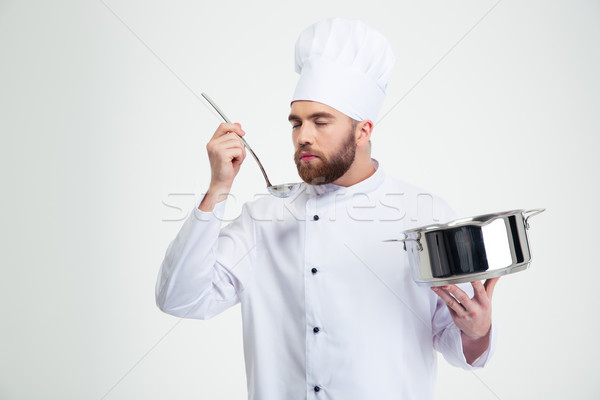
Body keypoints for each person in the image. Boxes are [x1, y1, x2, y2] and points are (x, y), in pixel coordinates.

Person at [156, 18, 499, 400]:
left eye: (321, 121)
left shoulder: (424, 213)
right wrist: (218, 188)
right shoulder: (264, 218)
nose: (303, 136)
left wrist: (478, 330)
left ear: (363, 131)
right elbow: (179, 298)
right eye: (296, 122)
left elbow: (456, 343)